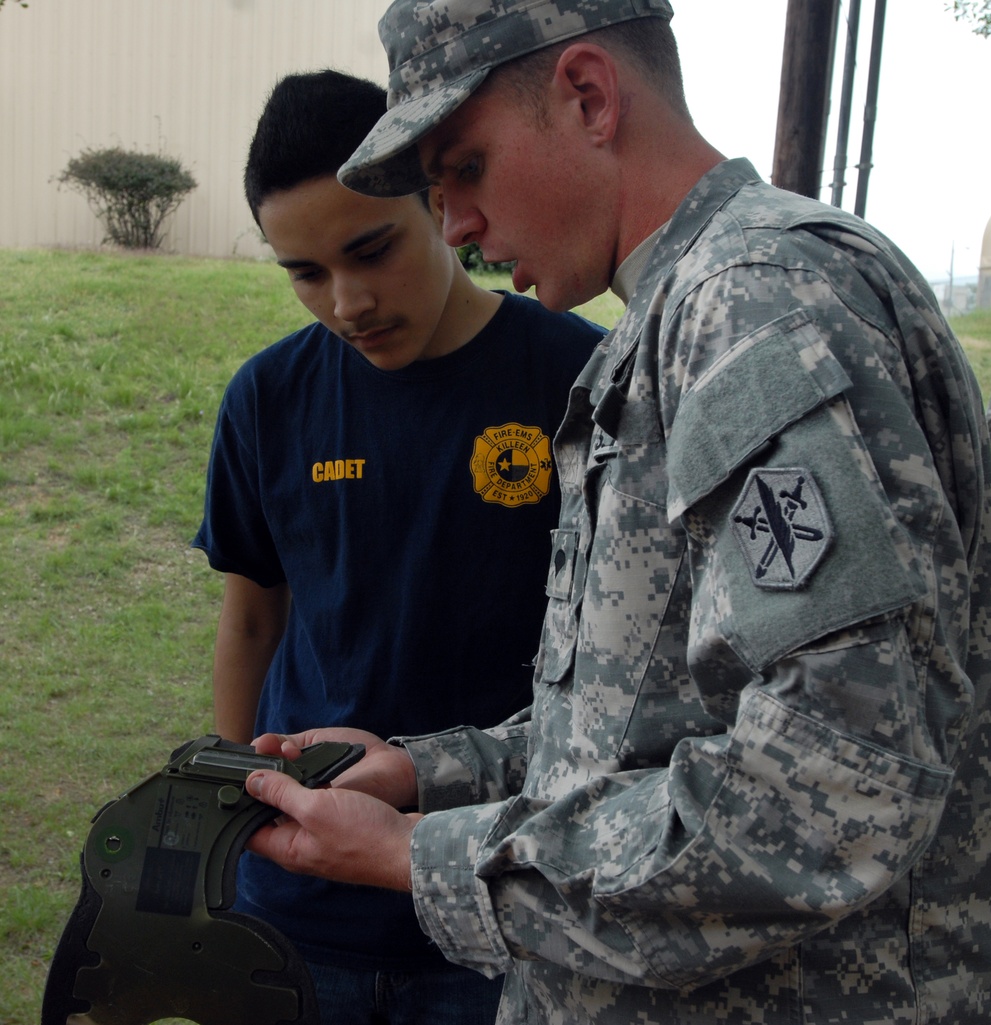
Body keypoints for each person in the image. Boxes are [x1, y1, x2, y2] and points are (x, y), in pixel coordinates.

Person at [243, 4, 991, 1023]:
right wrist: (429, 770)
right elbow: (646, 723)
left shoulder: (753, 306)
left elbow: (830, 786)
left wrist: (421, 854)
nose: (457, 226)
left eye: (464, 167)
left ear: (589, 96)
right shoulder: (681, 312)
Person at [192, 68, 603, 1025]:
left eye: (371, 251)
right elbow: (253, 617)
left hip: (495, 895)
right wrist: (227, 802)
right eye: (305, 272)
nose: (347, 302)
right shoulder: (267, 400)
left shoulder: (578, 379)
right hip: (301, 901)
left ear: (440, 203)